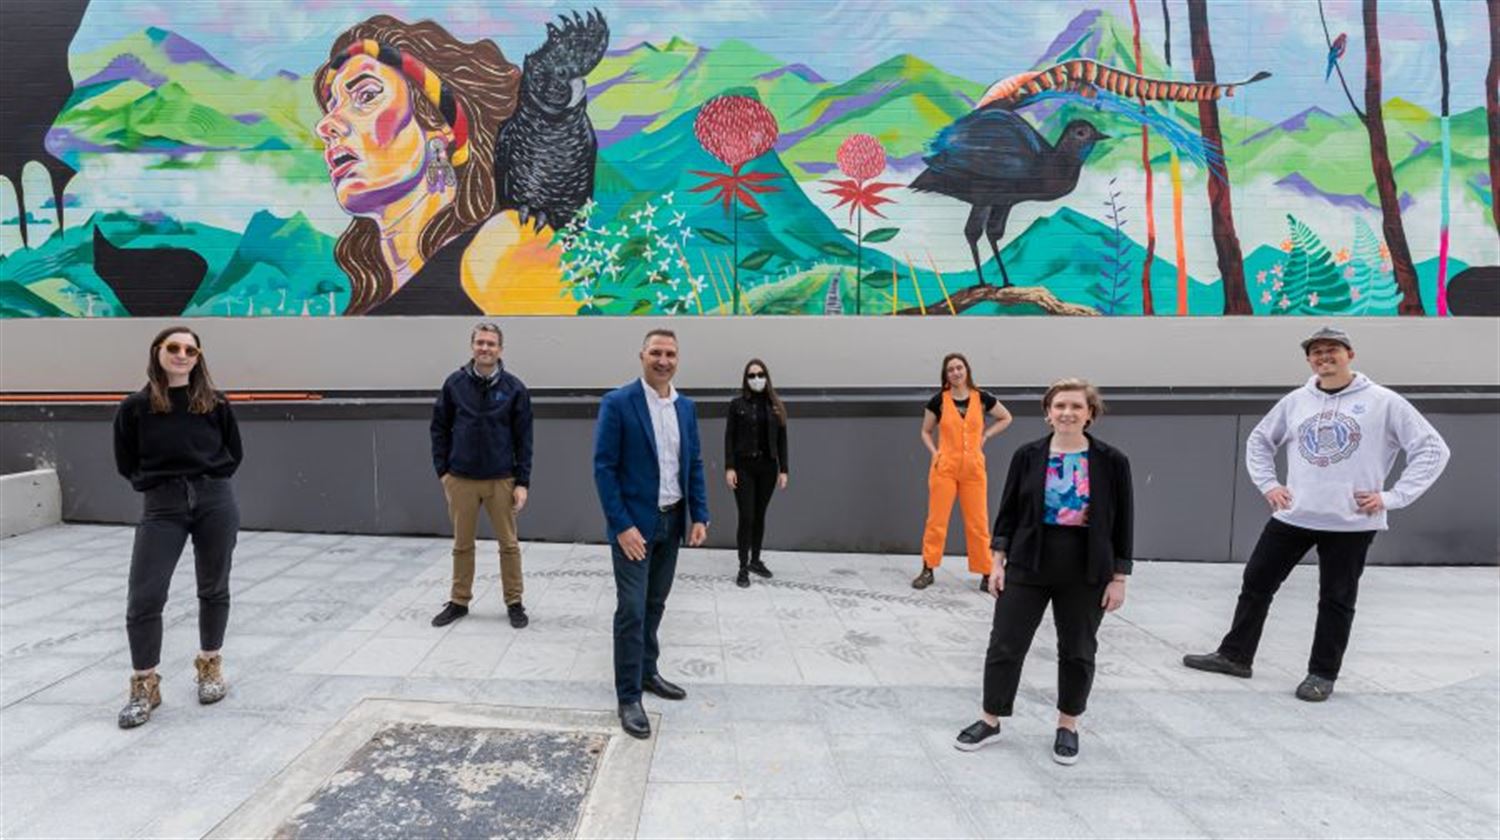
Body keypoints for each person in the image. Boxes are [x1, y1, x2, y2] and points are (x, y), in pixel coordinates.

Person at [1182, 326, 1450, 702]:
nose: (1324, 357)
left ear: (1350, 354)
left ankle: (1322, 674)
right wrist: (1269, 484)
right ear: (1309, 360)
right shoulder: (1297, 401)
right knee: (1256, 582)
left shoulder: (1383, 402)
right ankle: (1235, 655)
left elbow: (1432, 450)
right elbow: (1260, 440)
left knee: (1336, 599)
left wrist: (1393, 497)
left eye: (1332, 350)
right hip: (1294, 515)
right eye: (1316, 352)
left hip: (1351, 522)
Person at [955, 378, 1132, 766]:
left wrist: (1119, 577)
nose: (1067, 413)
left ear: (1090, 414)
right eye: (1060, 406)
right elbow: (1008, 513)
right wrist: (997, 563)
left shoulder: (1112, 461)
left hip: (1087, 568)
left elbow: (1123, 524)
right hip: (1029, 560)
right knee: (1005, 643)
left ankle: (1068, 724)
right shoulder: (1027, 455)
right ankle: (991, 718)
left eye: (1076, 406)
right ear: (1048, 413)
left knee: (1078, 651)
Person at [111, 326, 243, 729]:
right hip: (162, 506)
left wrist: (209, 483)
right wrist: (155, 484)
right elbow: (126, 461)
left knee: (214, 586)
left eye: (190, 349)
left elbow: (233, 452)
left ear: (198, 357)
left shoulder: (215, 404)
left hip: (213, 500)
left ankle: (209, 665)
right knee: (145, 597)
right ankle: (145, 683)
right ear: (158, 352)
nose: (182, 354)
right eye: (174, 347)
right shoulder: (135, 407)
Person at [593, 329, 709, 740]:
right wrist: (622, 526)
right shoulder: (618, 403)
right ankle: (628, 697)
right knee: (632, 609)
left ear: (678, 359)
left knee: (656, 602)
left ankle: (647, 672)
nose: (664, 360)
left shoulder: (686, 408)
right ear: (641, 355)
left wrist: (700, 514)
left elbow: (692, 462)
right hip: (634, 528)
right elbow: (604, 469)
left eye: (671, 353)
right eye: (656, 352)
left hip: (672, 521)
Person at [430, 322, 534, 629]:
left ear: (500, 349)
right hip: (460, 478)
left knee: (509, 545)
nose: (485, 348)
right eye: (480, 343)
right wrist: (444, 472)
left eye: (491, 344)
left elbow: (524, 439)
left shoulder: (514, 388)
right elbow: (439, 428)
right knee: (462, 544)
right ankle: (459, 601)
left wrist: (522, 482)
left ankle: (514, 602)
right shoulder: (454, 384)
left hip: (501, 479)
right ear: (472, 346)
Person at [914, 352, 1012, 590]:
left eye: (959, 367)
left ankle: (986, 572)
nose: (956, 372)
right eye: (951, 370)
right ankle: (928, 568)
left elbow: (1006, 417)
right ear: (946, 375)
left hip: (974, 469)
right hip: (945, 468)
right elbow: (926, 431)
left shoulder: (982, 398)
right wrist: (935, 452)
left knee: (978, 522)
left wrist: (986, 435)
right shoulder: (938, 401)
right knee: (937, 521)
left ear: (967, 370)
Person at [724, 358, 789, 588]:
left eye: (760, 374)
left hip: (768, 468)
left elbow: (782, 440)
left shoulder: (775, 405)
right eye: (751, 375)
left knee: (760, 516)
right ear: (745, 379)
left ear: (767, 377)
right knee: (747, 516)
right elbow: (729, 437)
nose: (756, 379)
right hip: (744, 468)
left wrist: (784, 469)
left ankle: (755, 560)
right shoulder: (737, 404)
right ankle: (743, 567)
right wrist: (729, 467)